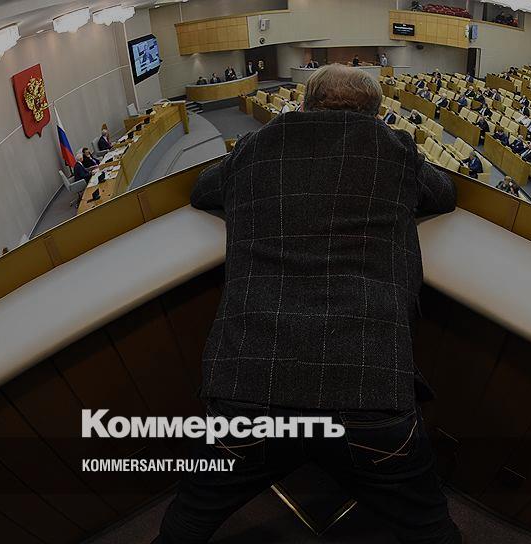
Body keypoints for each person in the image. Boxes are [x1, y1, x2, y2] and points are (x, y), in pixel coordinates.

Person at [159, 64, 462, 544]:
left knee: (188, 522)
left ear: (302, 103)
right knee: (430, 530)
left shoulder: (255, 146)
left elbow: (203, 192)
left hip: (249, 383)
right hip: (369, 385)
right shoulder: (394, 148)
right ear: (376, 114)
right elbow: (444, 195)